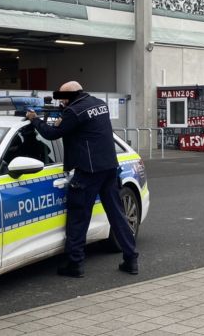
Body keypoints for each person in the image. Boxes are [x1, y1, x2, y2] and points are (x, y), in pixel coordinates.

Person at [25, 81, 139, 278]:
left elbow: (51, 134)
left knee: (78, 217)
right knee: (117, 215)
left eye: (62, 97)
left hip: (88, 171)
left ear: (69, 96)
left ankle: (74, 264)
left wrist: (35, 119)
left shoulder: (74, 111)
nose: (61, 101)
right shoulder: (98, 104)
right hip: (110, 168)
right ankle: (131, 260)